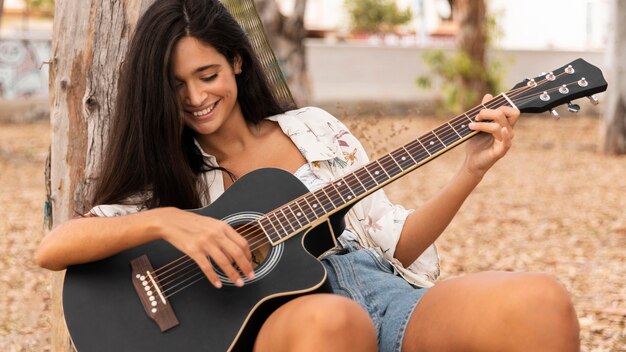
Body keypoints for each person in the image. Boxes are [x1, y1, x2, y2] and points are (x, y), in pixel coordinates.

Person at [36, 0, 580, 351]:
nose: (197, 97)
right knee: (334, 324)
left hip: (377, 291)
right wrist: (172, 223)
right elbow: (55, 248)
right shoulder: (165, 171)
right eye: (178, 86)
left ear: (238, 64)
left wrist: (471, 170)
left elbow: (397, 242)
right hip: (278, 325)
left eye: (208, 75)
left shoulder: (313, 129)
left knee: (540, 301)